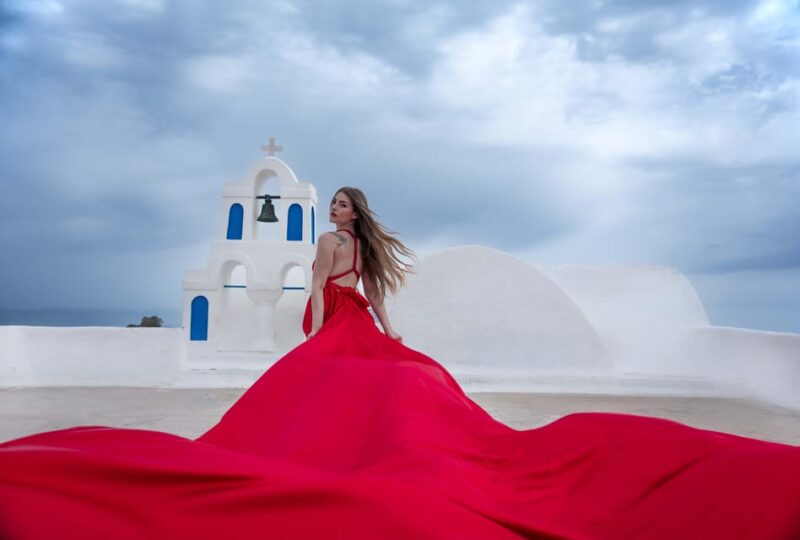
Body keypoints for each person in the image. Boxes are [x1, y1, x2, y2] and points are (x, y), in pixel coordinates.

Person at [1, 190, 800, 539]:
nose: (341, 216)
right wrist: (313, 335)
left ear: (359, 212)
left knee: (411, 386)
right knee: (348, 397)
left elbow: (373, 300)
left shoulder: (364, 251)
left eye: (348, 208)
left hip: (362, 326)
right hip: (332, 327)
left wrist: (388, 331)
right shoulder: (320, 245)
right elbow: (317, 292)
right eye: (337, 208)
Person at [302, 187, 414, 343]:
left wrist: (316, 328)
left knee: (325, 363)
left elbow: (318, 285)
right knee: (358, 361)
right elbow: (372, 292)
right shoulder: (365, 245)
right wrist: (389, 330)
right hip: (354, 311)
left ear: (355, 214)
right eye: (334, 202)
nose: (334, 207)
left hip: (329, 308)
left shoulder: (328, 239)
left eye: (343, 205)